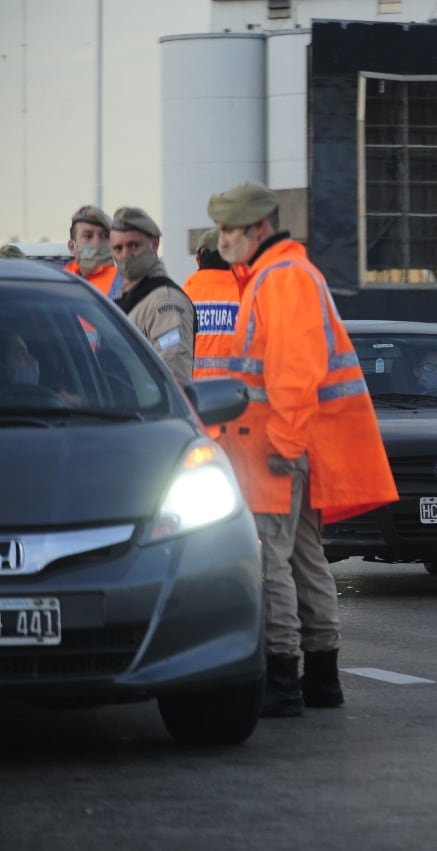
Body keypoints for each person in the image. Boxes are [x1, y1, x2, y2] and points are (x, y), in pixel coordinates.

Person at [208, 180, 398, 717]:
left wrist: (283, 448)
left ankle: (283, 681)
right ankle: (321, 680)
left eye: (230, 230)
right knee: (305, 558)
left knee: (271, 561)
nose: (222, 241)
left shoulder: (281, 278)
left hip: (277, 448)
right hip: (295, 446)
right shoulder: (282, 275)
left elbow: (295, 371)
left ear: (260, 229)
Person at [109, 207, 196, 385]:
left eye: (134, 245)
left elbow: (173, 376)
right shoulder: (130, 297)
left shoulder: (165, 302)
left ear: (154, 245)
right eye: (118, 248)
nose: (125, 255)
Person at [182, 227, 241, 382]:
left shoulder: (181, 298)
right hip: (236, 397)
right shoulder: (246, 297)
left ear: (198, 259)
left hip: (192, 398)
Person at [64, 205, 122, 298]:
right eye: (88, 236)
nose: (96, 242)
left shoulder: (123, 283)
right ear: (72, 247)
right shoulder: (58, 279)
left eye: (104, 236)